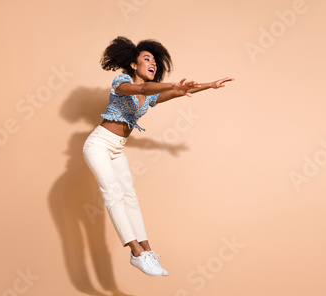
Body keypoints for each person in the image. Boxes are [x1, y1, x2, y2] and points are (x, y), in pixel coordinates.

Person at [82, 36, 234, 277]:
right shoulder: (121, 82)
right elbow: (142, 88)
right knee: (113, 193)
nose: (152, 62)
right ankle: (136, 252)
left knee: (130, 196)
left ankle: (147, 251)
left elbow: (179, 92)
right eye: (146, 58)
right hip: (98, 145)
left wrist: (210, 84)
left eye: (154, 60)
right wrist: (171, 85)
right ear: (133, 64)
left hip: (117, 148)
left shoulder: (151, 95)